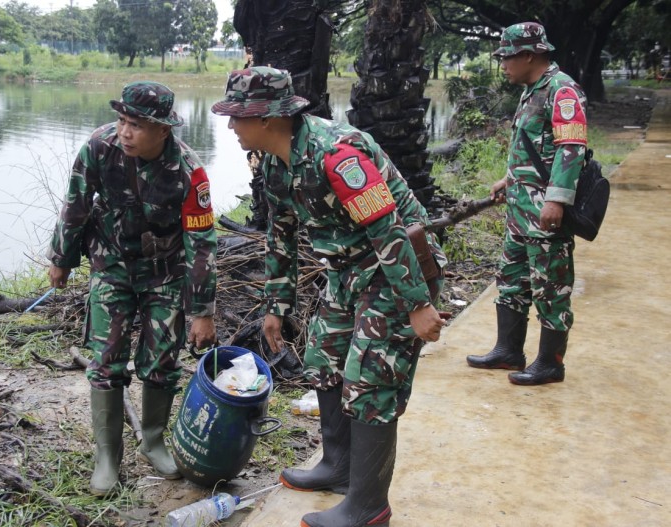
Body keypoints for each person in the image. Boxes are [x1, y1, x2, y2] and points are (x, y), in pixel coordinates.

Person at [211, 66, 447, 527]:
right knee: (325, 357)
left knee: (371, 376)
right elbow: (279, 238)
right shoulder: (276, 165)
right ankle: (337, 467)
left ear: (267, 118)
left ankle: (368, 505)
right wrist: (276, 308)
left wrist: (418, 304)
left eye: (238, 117)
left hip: (397, 268)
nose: (231, 126)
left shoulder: (336, 155)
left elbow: (387, 228)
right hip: (350, 270)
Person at [47, 81, 217, 495]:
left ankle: (153, 441)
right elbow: (76, 205)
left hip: (165, 273)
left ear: (163, 130)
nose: (125, 132)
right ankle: (107, 457)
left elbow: (201, 242)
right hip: (111, 266)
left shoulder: (189, 170)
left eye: (137, 125)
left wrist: (202, 309)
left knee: (161, 359)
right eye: (122, 121)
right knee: (106, 360)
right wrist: (61, 260)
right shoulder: (98, 148)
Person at [466, 22, 587, 385]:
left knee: (550, 286)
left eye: (507, 57)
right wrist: (510, 178)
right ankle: (508, 351)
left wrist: (557, 200)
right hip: (521, 210)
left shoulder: (562, 90)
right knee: (512, 280)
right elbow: (537, 148)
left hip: (544, 213)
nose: (503, 64)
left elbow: (571, 147)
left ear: (529, 55)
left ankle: (550, 363)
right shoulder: (533, 89)